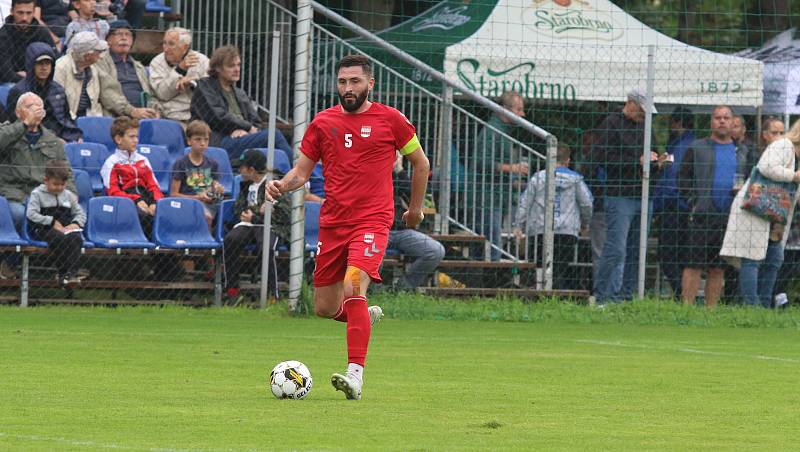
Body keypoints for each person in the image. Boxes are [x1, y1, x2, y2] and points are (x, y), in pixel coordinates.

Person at [265, 55, 430, 400]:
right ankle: (361, 318)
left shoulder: (391, 119)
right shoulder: (323, 123)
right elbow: (301, 173)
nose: (347, 88)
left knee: (354, 285)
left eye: (354, 81)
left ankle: (355, 376)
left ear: (370, 84)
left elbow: (421, 163)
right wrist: (280, 185)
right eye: (342, 82)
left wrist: (415, 211)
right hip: (333, 223)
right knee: (324, 306)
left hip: (372, 220)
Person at [592, 89, 664, 303]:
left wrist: (658, 163)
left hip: (644, 195)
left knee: (637, 250)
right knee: (616, 249)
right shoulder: (611, 124)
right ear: (630, 104)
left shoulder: (646, 127)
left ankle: (626, 296)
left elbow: (649, 156)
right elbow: (601, 158)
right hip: (620, 195)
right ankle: (604, 297)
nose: (644, 116)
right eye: (642, 111)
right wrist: (637, 162)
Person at [720, 119, 800, 308]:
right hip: (756, 209)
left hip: (775, 216)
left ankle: (764, 307)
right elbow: (767, 167)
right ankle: (752, 307)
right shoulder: (783, 145)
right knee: (752, 258)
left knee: (774, 259)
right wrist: (794, 176)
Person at [678, 105, 749, 307]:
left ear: (733, 122)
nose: (722, 121)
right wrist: (694, 202)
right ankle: (686, 309)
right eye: (717, 117)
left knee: (718, 267)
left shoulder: (742, 151)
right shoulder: (697, 147)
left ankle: (711, 312)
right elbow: (683, 178)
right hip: (701, 216)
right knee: (693, 265)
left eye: (726, 117)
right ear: (711, 121)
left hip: (729, 216)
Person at [0, 92, 73, 280]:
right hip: (13, 193)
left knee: (66, 215)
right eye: (30, 106)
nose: (35, 110)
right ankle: (10, 262)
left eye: (38, 106)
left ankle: (65, 271)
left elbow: (66, 171)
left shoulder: (53, 141)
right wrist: (24, 125)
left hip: (43, 195)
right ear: (18, 112)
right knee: (17, 213)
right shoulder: (7, 132)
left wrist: (71, 195)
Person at [190, 45, 292, 161]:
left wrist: (245, 131)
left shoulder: (239, 93)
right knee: (274, 136)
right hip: (218, 141)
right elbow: (218, 116)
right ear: (218, 68)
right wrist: (245, 127)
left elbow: (256, 122)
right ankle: (300, 173)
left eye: (238, 65)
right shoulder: (205, 86)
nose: (237, 69)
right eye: (231, 66)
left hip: (242, 138)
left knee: (278, 142)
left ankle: (295, 173)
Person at [514, 145, 592, 290]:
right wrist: (585, 223)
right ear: (568, 161)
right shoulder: (576, 180)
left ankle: (540, 294)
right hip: (567, 231)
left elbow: (525, 202)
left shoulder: (538, 178)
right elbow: (587, 203)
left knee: (539, 267)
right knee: (560, 268)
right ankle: (556, 295)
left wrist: (519, 224)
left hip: (540, 229)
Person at [223, 149, 290, 302]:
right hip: (249, 223)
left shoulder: (274, 184)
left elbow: (283, 214)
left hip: (270, 226)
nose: (239, 171)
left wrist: (256, 215)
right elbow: (238, 209)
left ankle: (273, 293)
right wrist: (256, 213)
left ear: (251, 170)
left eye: (242, 168)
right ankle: (232, 289)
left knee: (266, 246)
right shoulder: (246, 185)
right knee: (231, 239)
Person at [473, 90, 528, 260]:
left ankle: (487, 276)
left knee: (489, 243)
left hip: (497, 197)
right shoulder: (492, 131)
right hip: (488, 198)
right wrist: (512, 168)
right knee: (491, 245)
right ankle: (491, 278)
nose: (522, 114)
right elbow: (481, 162)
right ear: (505, 109)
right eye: (518, 109)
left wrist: (511, 180)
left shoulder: (501, 131)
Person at [54, 31, 157, 119]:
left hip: (90, 118)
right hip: (67, 119)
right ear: (87, 55)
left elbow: (108, 92)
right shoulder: (61, 67)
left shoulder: (93, 68)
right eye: (98, 52)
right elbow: (57, 104)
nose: (101, 56)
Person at [652, 107, 694, 298]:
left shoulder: (682, 146)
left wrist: (659, 205)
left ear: (677, 123)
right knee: (680, 255)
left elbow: (672, 178)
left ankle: (682, 294)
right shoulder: (683, 143)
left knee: (668, 255)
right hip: (683, 205)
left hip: (675, 206)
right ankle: (683, 294)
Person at [387, 154, 444, 291]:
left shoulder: (396, 175)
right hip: (373, 230)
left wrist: (399, 170)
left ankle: (403, 288)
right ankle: (372, 291)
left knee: (435, 250)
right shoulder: (366, 174)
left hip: (400, 230)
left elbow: (417, 200)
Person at [26, 159, 87, 287]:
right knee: (60, 239)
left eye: (62, 184)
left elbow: (80, 213)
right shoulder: (37, 194)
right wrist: (51, 221)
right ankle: (64, 273)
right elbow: (31, 214)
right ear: (45, 180)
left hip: (66, 228)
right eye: (55, 184)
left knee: (75, 238)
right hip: (44, 228)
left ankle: (71, 274)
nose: (59, 188)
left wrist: (76, 224)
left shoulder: (69, 195)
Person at [7, 42, 82, 142]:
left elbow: (66, 119)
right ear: (31, 65)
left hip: (62, 136)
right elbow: (16, 126)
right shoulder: (18, 91)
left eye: (47, 63)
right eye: (39, 63)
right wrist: (54, 140)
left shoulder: (58, 89)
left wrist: (75, 136)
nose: (44, 67)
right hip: (34, 140)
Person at [100, 116, 163, 235]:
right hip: (125, 203)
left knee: (166, 213)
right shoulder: (111, 162)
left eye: (137, 136)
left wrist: (155, 202)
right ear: (119, 139)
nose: (136, 140)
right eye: (131, 137)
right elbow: (112, 192)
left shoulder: (143, 160)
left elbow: (154, 186)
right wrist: (136, 200)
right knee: (144, 217)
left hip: (147, 199)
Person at [170, 120, 224, 228]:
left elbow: (215, 189)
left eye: (206, 139)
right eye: (198, 139)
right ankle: (204, 242)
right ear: (189, 141)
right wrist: (198, 197)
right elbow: (174, 194)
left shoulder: (213, 164)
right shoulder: (181, 163)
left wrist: (217, 191)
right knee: (205, 216)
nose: (203, 143)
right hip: (187, 203)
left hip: (208, 203)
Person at [150, 27, 209, 124]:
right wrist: (179, 70)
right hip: (171, 117)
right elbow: (162, 94)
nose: (166, 48)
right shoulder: (157, 62)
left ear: (185, 47)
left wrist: (192, 83)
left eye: (171, 44)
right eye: (164, 43)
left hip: (199, 116)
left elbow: (210, 90)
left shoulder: (202, 60)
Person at [95, 20, 151, 109]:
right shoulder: (100, 62)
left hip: (143, 113)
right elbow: (108, 95)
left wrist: (155, 110)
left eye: (128, 34)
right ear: (108, 40)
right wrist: (132, 111)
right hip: (115, 115)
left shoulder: (139, 67)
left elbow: (151, 95)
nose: (124, 38)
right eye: (119, 34)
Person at [0, 0, 57, 84]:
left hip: (42, 82)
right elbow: (6, 74)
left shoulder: (42, 32)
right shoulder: (3, 35)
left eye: (29, 13)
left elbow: (56, 61)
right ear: (12, 11)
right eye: (20, 13)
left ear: (34, 12)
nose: (24, 18)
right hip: (13, 84)